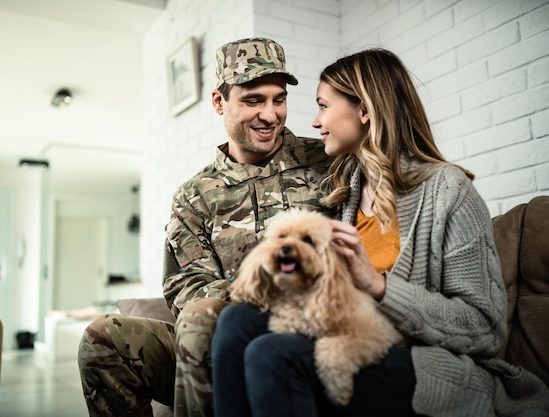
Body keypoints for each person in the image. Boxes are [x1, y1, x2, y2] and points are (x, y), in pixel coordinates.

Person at [211, 48, 549, 417]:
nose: (314, 121)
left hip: (429, 366)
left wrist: (378, 286)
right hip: (347, 341)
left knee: (272, 353)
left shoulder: (448, 192)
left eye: (323, 105)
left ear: (365, 111)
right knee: (237, 319)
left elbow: (485, 329)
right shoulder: (344, 195)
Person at [78, 37, 333, 417]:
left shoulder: (326, 160)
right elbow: (188, 287)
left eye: (278, 99)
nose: (270, 114)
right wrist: (257, 295)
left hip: (315, 323)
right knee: (101, 338)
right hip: (221, 333)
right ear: (219, 102)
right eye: (252, 100)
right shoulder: (194, 195)